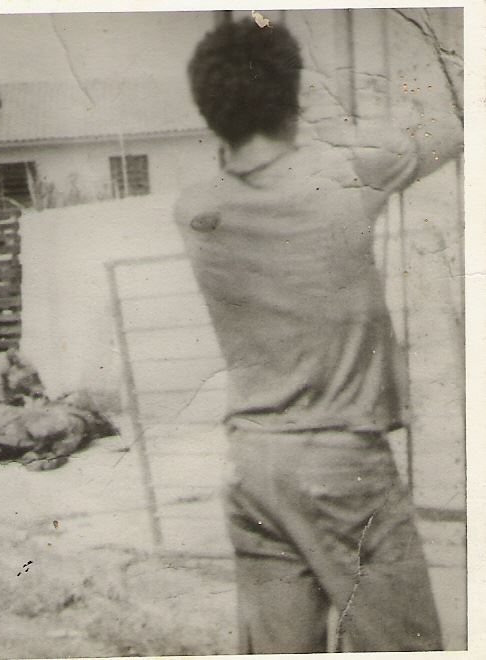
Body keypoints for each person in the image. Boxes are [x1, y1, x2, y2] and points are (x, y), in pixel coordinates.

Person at [175, 17, 462, 653]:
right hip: (342, 462)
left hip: (254, 463)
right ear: (292, 94)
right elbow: (449, 129)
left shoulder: (198, 210)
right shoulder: (342, 176)